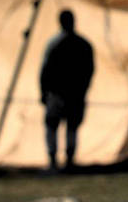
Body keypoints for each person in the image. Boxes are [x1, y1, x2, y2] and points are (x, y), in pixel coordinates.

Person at [39, 10, 94, 172]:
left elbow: (45, 70)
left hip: (59, 94)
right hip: (71, 94)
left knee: (57, 126)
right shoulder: (82, 44)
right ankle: (65, 161)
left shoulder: (55, 43)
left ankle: (56, 162)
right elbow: (89, 70)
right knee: (68, 127)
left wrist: (43, 91)